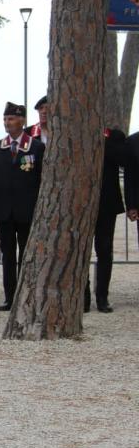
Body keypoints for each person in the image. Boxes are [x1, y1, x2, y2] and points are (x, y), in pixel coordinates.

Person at [0, 101, 45, 311]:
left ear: (22, 120)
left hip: (27, 211)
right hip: (4, 212)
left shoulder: (36, 147)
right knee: (8, 255)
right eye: (5, 119)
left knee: (26, 256)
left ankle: (26, 295)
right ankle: (10, 296)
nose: (7, 123)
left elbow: (40, 180)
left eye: (10, 119)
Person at [84, 128, 133, 313]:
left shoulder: (112, 136)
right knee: (82, 253)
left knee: (104, 250)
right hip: (82, 205)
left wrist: (104, 141)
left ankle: (102, 297)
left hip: (106, 204)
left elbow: (123, 160)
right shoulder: (78, 132)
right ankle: (83, 297)